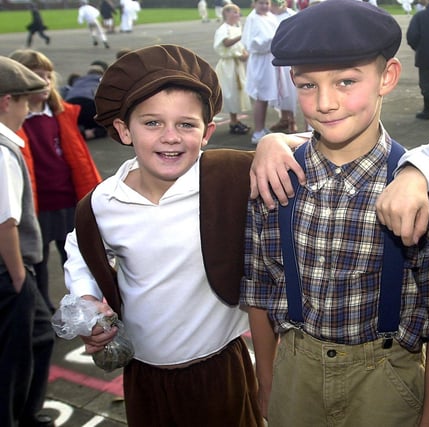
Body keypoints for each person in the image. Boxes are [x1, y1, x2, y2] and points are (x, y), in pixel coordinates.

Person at [240, 1, 429, 426]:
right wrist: (267, 382)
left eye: (346, 81)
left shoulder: (421, 191)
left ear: (387, 77)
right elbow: (260, 290)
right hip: (295, 371)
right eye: (307, 85)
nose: (325, 103)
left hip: (386, 380)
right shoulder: (274, 178)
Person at [63, 44, 263, 427]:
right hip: (145, 372)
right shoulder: (104, 201)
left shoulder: (228, 177)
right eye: (152, 123)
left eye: (186, 124)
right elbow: (79, 245)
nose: (170, 136)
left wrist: (272, 143)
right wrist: (85, 295)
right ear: (124, 129)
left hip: (220, 367)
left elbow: (313, 149)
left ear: (207, 133)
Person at [10, 49, 102, 314]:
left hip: (67, 201)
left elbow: (81, 160)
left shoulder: (63, 114)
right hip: (34, 207)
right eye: (36, 76)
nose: (45, 81)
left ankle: (83, 303)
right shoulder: (14, 121)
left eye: (48, 75)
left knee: (75, 257)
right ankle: (42, 308)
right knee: (36, 261)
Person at [0, 55, 55, 427]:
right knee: (21, 349)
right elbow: (6, 223)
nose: (25, 108)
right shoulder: (4, 152)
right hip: (10, 272)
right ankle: (20, 417)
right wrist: (21, 279)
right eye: (22, 100)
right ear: (6, 101)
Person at [241, 0, 280, 144]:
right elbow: (252, 43)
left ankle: (262, 128)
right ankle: (257, 131)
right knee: (261, 95)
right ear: (254, 4)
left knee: (265, 95)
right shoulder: (253, 19)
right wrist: (272, 40)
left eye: (267, 3)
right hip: (261, 61)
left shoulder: (269, 16)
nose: (264, 6)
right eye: (261, 3)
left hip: (269, 59)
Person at [214, 2, 251, 135]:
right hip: (228, 65)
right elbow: (225, 43)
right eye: (234, 12)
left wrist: (244, 54)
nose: (237, 15)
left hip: (237, 64)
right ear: (226, 14)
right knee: (231, 92)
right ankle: (233, 121)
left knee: (238, 92)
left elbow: (241, 46)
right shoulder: (224, 29)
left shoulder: (236, 27)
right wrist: (241, 37)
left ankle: (235, 120)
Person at [268, 0, 298, 134]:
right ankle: (284, 118)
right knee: (280, 89)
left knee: (291, 90)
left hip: (289, 55)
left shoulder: (291, 14)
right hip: (275, 57)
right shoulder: (269, 16)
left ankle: (292, 120)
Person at [64, 61, 109, 140]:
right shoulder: (103, 80)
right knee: (106, 127)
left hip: (71, 104)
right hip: (91, 104)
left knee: (72, 122)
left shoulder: (78, 79)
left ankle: (73, 129)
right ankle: (87, 133)